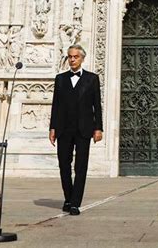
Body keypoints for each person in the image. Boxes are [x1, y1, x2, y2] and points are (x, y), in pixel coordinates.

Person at [49, 44, 103, 216]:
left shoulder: (92, 79)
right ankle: (68, 197)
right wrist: (52, 128)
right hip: (64, 129)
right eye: (70, 56)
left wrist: (98, 128)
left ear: (82, 58)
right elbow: (55, 105)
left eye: (75, 57)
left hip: (84, 129)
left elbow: (97, 106)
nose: (72, 59)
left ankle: (75, 202)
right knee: (64, 165)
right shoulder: (60, 79)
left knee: (81, 167)